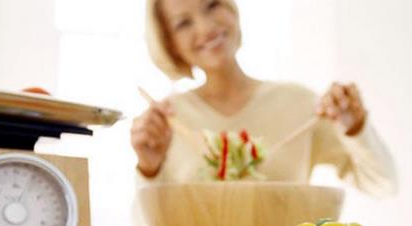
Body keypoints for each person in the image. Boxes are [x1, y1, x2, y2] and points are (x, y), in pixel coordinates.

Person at [132, 0, 396, 197]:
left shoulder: (300, 104)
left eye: (212, 5)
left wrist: (355, 128)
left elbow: (383, 184)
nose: (206, 27)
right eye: (183, 23)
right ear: (169, 43)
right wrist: (149, 167)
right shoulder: (168, 121)